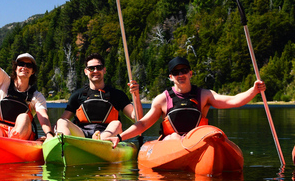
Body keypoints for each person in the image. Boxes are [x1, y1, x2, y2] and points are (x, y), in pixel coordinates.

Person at [116, 56, 265, 145]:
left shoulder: (204, 95)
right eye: (175, 72)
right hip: (171, 143)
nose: (180, 75)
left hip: (197, 142)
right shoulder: (162, 99)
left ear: (190, 73)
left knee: (212, 133)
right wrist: (120, 137)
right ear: (170, 77)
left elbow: (233, 101)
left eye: (184, 71)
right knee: (174, 136)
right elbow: (142, 124)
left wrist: (254, 90)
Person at [0, 21, 52, 140]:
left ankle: (13, 140)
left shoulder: (36, 96)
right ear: (15, 68)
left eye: (29, 66)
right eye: (21, 64)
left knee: (23, 117)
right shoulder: (3, 81)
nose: (24, 67)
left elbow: (43, 117)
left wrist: (49, 135)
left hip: (20, 137)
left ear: (33, 71)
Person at [55, 53, 142, 144]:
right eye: (91, 68)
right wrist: (50, 135)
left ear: (104, 70)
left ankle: (98, 141)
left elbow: (137, 118)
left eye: (99, 67)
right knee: (61, 121)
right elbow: (63, 121)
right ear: (86, 71)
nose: (95, 71)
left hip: (107, 134)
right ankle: (64, 146)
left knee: (116, 124)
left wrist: (136, 95)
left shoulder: (117, 95)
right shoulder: (77, 95)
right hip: (82, 135)